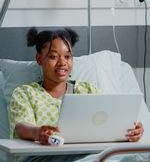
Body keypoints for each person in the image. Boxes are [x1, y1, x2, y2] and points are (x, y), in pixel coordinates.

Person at [9, 27, 144, 145]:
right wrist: (38, 132)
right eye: (53, 57)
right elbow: (20, 126)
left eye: (67, 57)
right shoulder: (25, 93)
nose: (62, 63)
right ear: (39, 59)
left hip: (87, 159)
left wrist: (131, 131)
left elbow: (107, 124)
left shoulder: (88, 91)